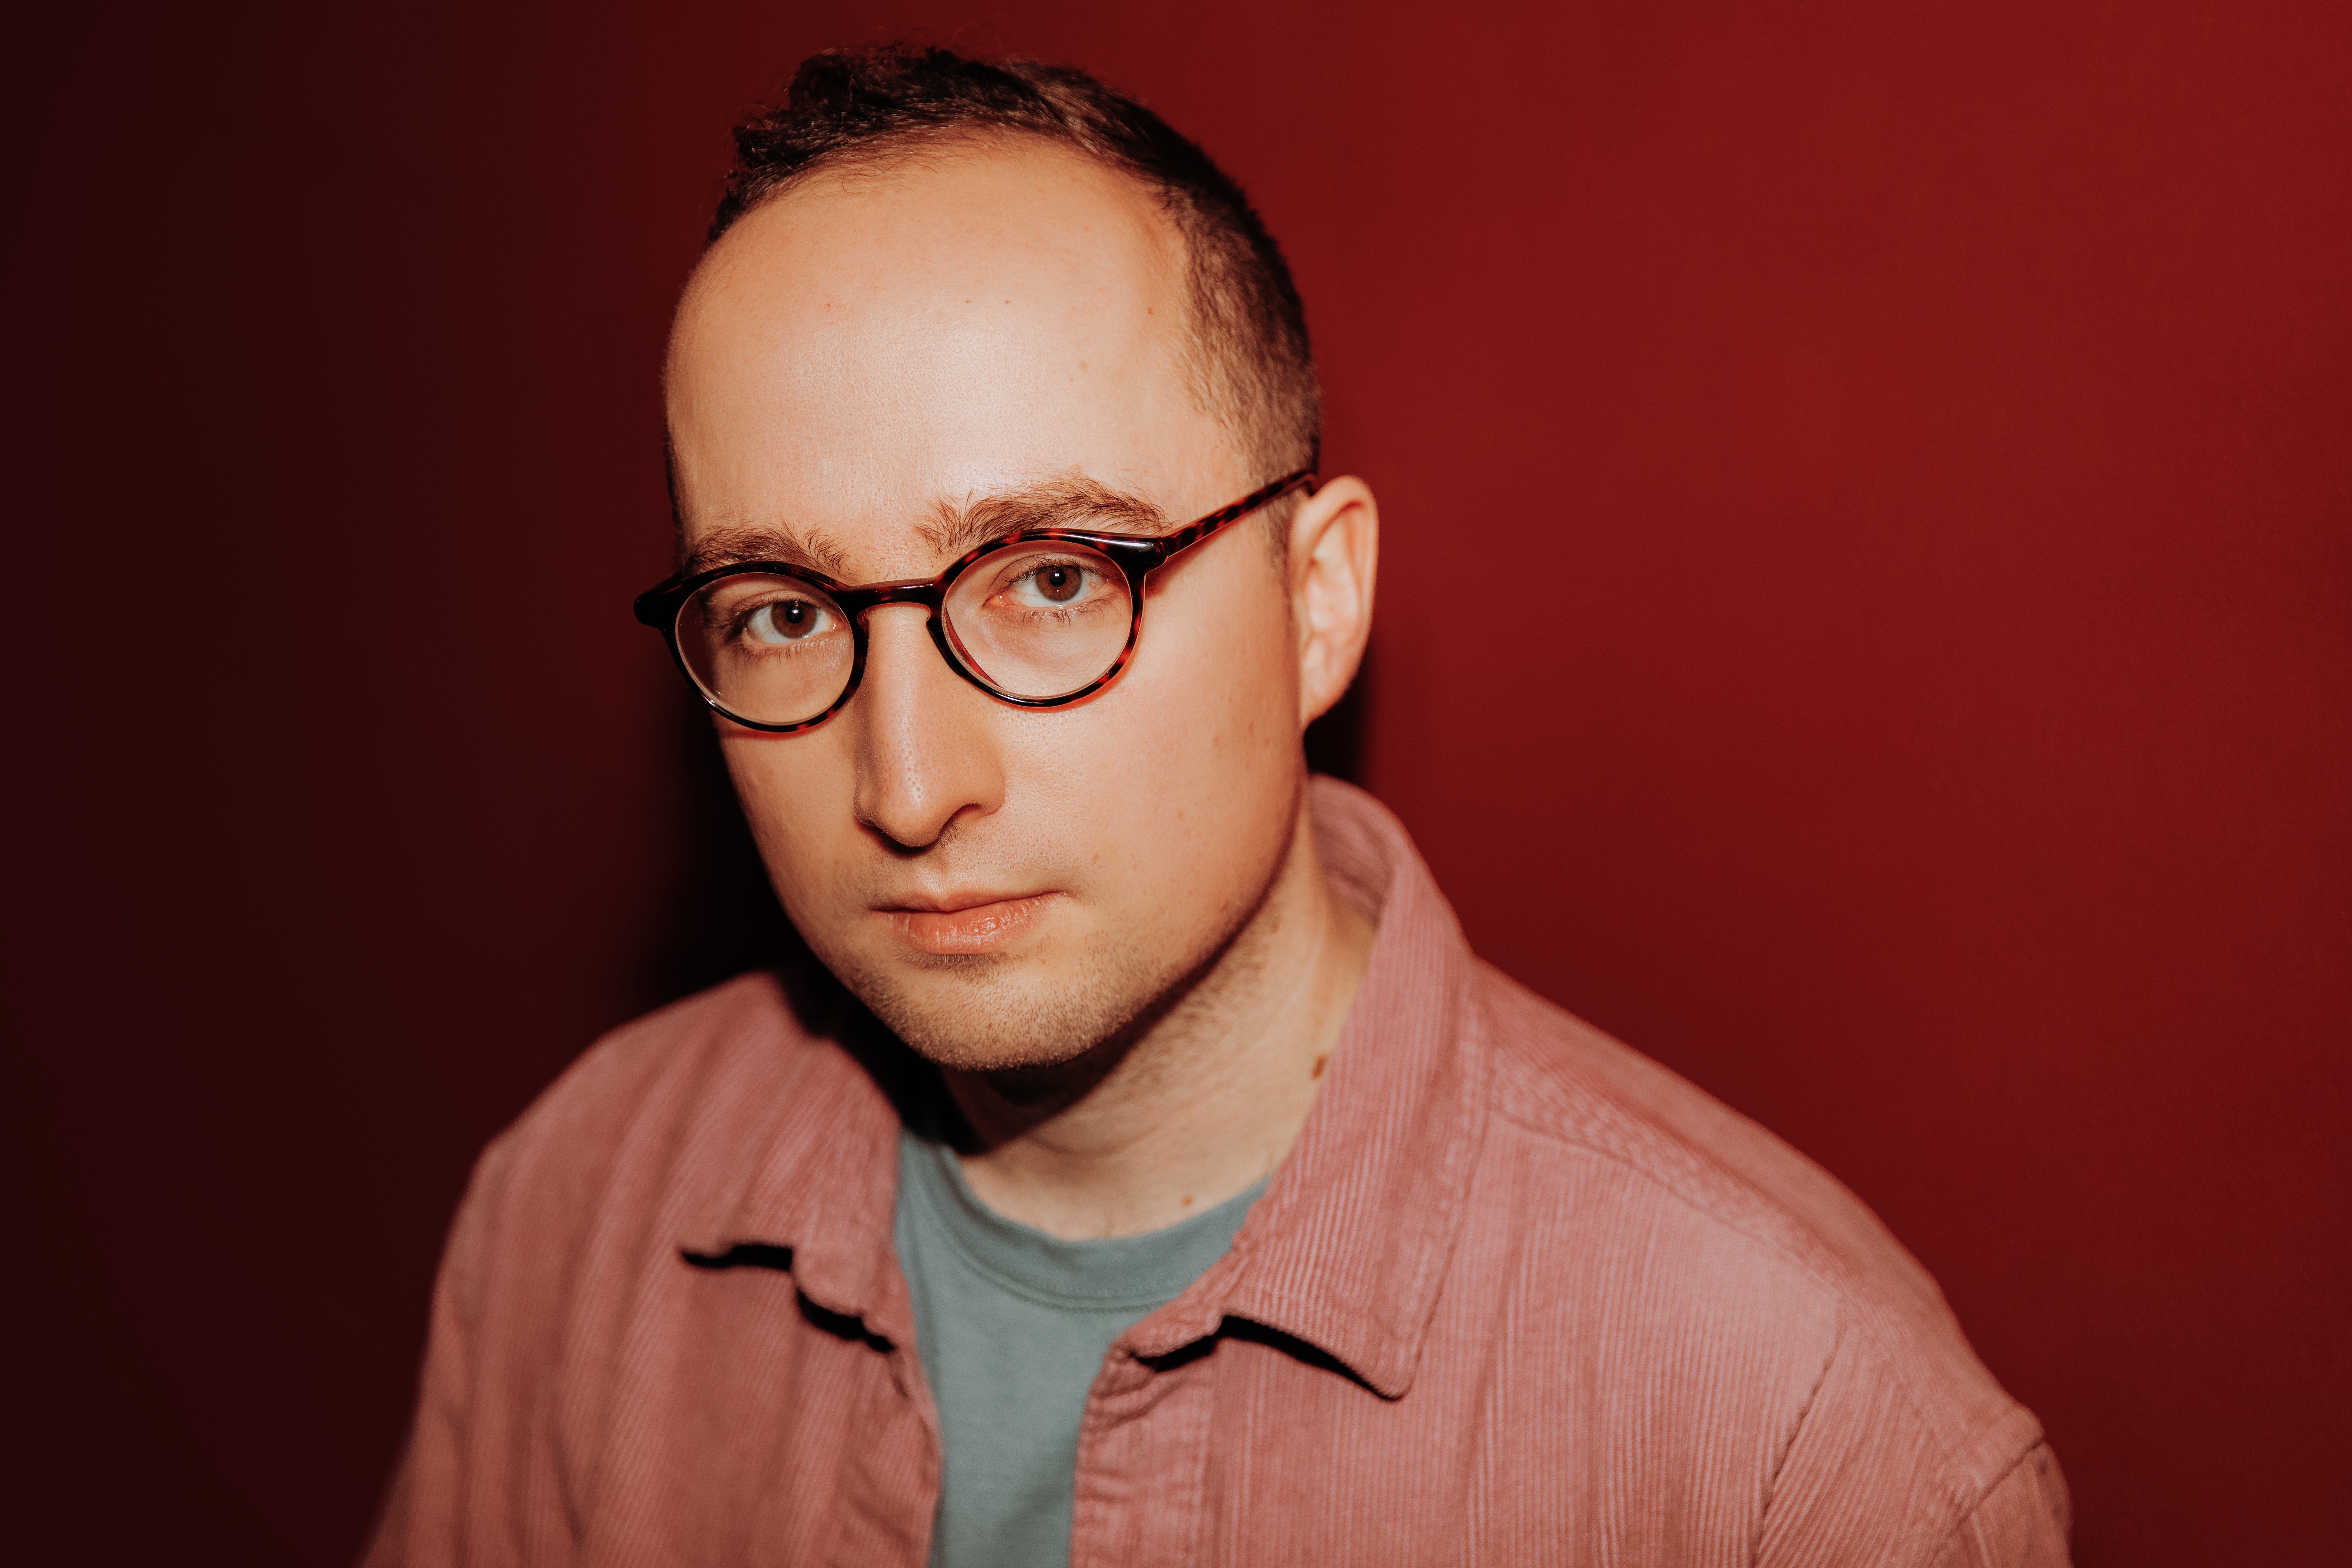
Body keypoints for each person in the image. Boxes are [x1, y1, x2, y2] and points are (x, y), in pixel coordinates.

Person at [365, 44, 2071, 1568]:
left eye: (1052, 579)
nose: (909, 785)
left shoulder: (1805, 1444)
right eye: (783, 613)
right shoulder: (585, 1207)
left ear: (1317, 602)